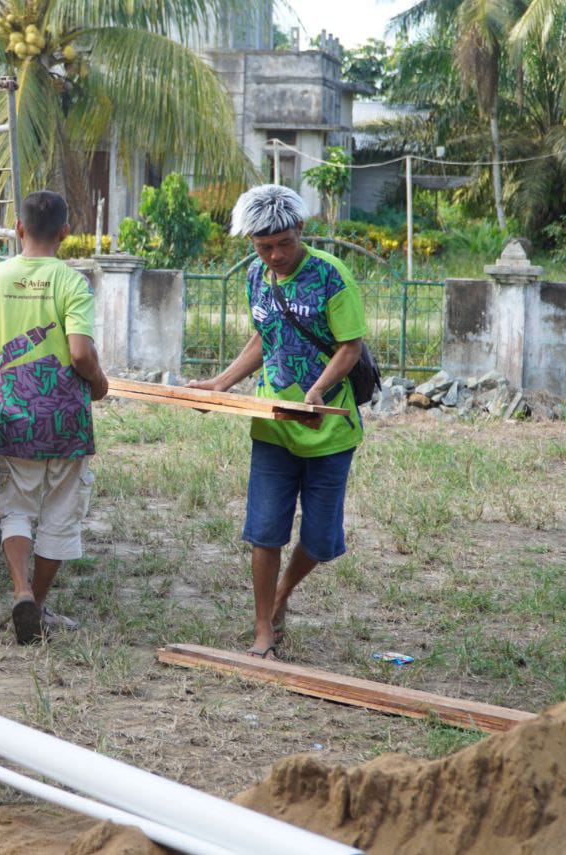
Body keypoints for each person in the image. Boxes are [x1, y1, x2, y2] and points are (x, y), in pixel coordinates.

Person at [188, 184, 367, 660]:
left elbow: (351, 346)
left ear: (300, 231)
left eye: (283, 244)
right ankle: (263, 627)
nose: (275, 255)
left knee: (320, 539)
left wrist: (317, 391)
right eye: (263, 247)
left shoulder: (331, 275)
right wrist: (221, 383)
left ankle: (284, 592)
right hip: (272, 427)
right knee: (265, 531)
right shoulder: (256, 276)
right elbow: (266, 336)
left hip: (328, 431)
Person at [0, 190, 110, 644]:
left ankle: (20, 590)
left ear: (18, 228)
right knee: (60, 512)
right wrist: (101, 383)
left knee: (15, 505)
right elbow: (79, 353)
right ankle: (41, 604)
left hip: (13, 413)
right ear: (66, 233)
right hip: (66, 418)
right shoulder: (72, 283)